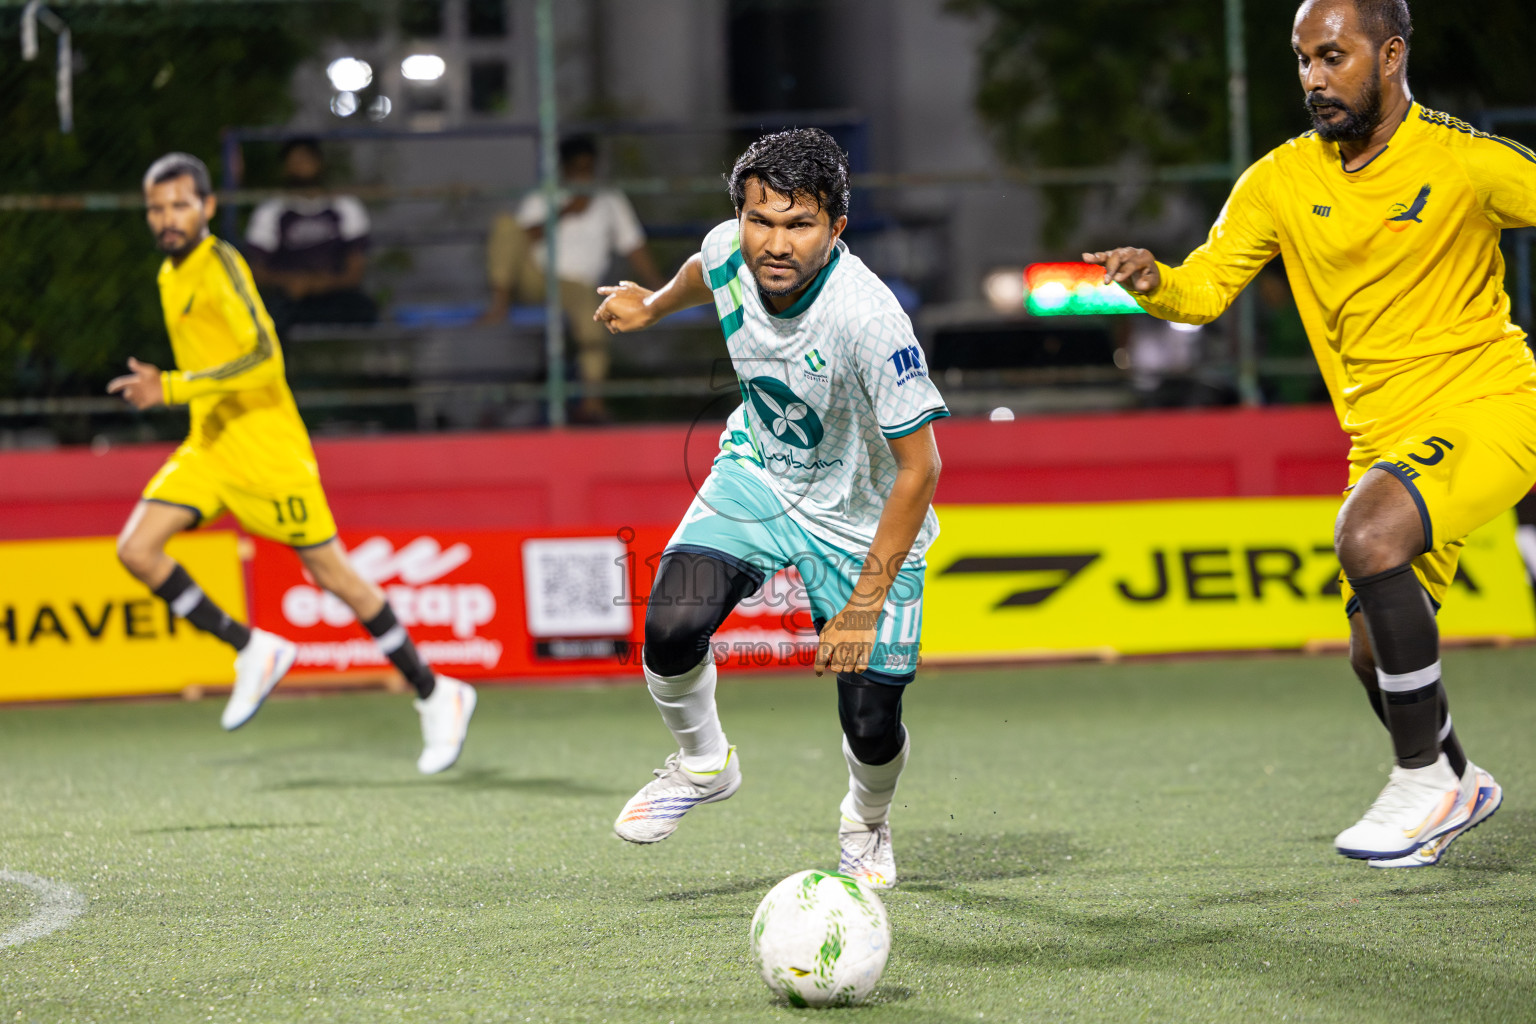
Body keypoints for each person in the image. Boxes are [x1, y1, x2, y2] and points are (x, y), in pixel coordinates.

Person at [1086, 0, 1528, 867]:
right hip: (1384, 439)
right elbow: (1205, 290)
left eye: (1333, 56)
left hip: (1490, 407)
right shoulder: (1280, 180)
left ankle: (1419, 780)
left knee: (1366, 536)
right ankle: (1456, 777)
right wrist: (1154, 280)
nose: (1314, 79)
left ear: (1391, 54)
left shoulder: (1467, 162)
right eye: (1302, 61)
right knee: (1375, 656)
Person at [593, 129, 948, 889]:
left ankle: (867, 821)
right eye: (762, 219)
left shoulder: (870, 321)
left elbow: (921, 470)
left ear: (836, 229)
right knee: (670, 624)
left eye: (799, 224)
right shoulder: (730, 246)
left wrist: (861, 606)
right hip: (761, 472)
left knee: (871, 724)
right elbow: (706, 266)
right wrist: (652, 307)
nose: (774, 242)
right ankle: (703, 765)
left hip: (863, 513)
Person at [109, 152, 476, 774]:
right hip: (210, 445)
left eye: (180, 205)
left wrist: (170, 387)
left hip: (268, 451)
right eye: (156, 207)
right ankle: (252, 648)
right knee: (137, 550)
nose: (167, 218)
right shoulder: (169, 274)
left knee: (334, 576)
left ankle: (438, 691)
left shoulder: (220, 263)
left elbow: (264, 359)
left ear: (207, 207)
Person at [482, 134, 663, 421]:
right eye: (577, 168)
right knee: (504, 224)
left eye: (588, 168)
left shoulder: (609, 199)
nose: (583, 175)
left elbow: (633, 245)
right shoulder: (543, 196)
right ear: (564, 168)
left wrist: (660, 289)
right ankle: (499, 303)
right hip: (538, 277)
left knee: (593, 317)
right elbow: (519, 239)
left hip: (578, 285)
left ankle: (592, 402)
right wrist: (564, 212)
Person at [245, 138, 378, 335]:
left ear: (319, 163)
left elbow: (355, 270)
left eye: (306, 160)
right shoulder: (271, 211)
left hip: (336, 294)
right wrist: (291, 282)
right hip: (289, 298)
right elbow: (256, 270)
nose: (300, 167)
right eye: (294, 162)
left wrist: (321, 284)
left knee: (364, 310)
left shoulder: (345, 206)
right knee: (268, 318)